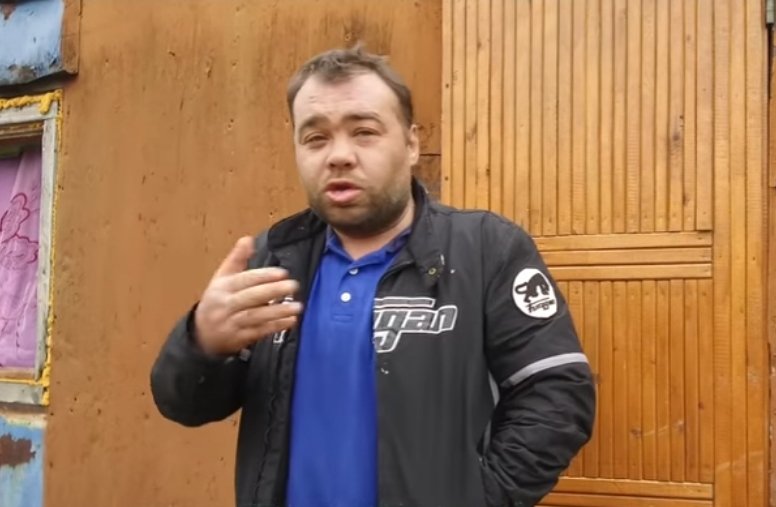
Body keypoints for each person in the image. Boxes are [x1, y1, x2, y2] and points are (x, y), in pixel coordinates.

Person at [150, 45, 596, 507]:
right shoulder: (272, 259)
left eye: (364, 132)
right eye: (315, 138)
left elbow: (557, 393)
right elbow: (184, 405)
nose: (339, 156)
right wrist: (202, 344)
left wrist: (480, 497)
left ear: (411, 144)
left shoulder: (486, 249)